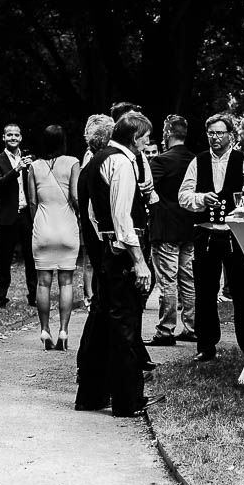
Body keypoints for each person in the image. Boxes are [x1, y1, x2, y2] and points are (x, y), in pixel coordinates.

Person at [74, 112, 153, 417]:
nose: (148, 143)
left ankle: (91, 394)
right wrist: (139, 261)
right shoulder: (121, 162)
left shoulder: (96, 161)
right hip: (122, 253)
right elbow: (123, 218)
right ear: (135, 138)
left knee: (105, 321)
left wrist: (104, 241)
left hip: (108, 250)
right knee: (125, 324)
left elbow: (93, 213)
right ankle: (127, 400)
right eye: (146, 137)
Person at [177, 113, 244, 362]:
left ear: (230, 135)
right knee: (205, 291)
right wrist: (201, 199)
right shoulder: (198, 161)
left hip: (235, 235)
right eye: (211, 133)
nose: (215, 138)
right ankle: (206, 345)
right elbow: (184, 196)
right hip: (205, 232)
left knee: (242, 291)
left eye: (220, 133)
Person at [27, 124, 80, 350]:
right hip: (66, 226)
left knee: (43, 283)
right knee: (66, 282)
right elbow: (75, 196)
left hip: (43, 226)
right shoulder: (72, 162)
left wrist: (36, 221)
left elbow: (31, 202)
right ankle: (64, 331)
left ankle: (44, 330)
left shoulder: (33, 166)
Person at [147, 115, 197, 347]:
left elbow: (146, 190)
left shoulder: (160, 162)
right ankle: (192, 326)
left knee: (168, 279)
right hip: (189, 225)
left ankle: (166, 330)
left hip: (166, 225)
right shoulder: (195, 160)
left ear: (167, 133)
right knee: (188, 278)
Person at [0, 124, 35, 309]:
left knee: (31, 257)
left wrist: (31, 169)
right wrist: (16, 170)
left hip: (26, 215)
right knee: (5, 258)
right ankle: (1, 298)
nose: (13, 138)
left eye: (16, 135)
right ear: (4, 138)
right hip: (8, 215)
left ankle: (34, 296)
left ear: (21, 137)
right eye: (9, 135)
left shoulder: (29, 159)